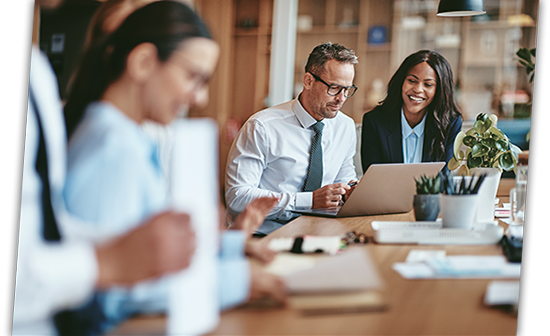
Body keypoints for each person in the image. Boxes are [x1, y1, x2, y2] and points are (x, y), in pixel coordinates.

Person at [62, 1, 286, 333]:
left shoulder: (125, 136)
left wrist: (228, 246)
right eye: (194, 77)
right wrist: (232, 283)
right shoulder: (112, 148)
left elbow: (140, 249)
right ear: (143, 62)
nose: (201, 98)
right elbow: (110, 287)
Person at [13, 0, 197, 334]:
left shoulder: (38, 72)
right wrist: (106, 262)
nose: (199, 97)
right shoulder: (110, 144)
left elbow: (49, 229)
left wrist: (163, 243)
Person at [225, 42, 359, 236]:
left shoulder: (345, 127)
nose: (341, 98)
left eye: (347, 90)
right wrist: (309, 201)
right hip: (262, 235)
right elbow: (237, 197)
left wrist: (352, 190)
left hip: (318, 232)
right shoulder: (262, 126)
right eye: (334, 88)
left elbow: (344, 178)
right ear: (308, 81)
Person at [360, 50, 462, 173]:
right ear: (401, 82)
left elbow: (443, 178)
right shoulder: (374, 122)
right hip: (388, 193)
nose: (418, 89)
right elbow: (373, 178)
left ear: (439, 90)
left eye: (428, 84)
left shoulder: (450, 123)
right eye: (412, 81)